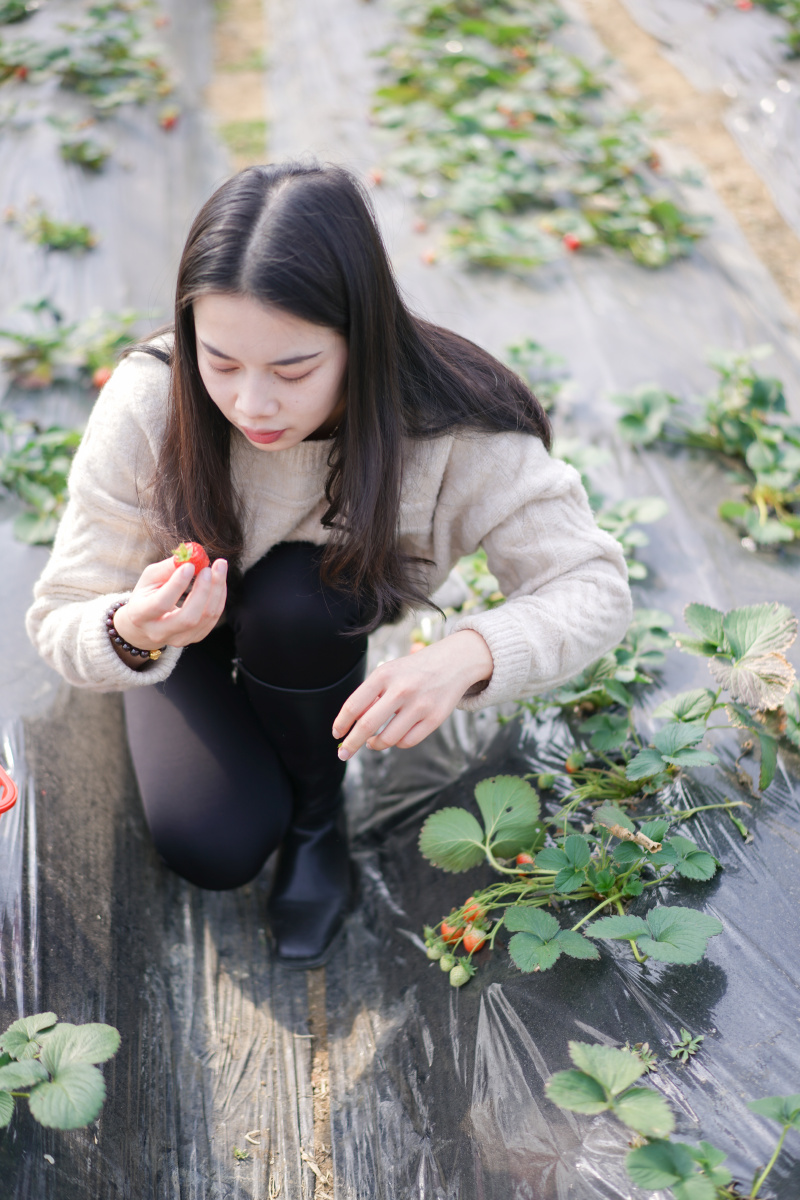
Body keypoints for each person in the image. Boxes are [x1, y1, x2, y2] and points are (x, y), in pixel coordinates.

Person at [26, 161, 632, 969]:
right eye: (221, 361)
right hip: (183, 635)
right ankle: (245, 737)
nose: (251, 405)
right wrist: (131, 631)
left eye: (293, 369)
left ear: (363, 336)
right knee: (215, 845)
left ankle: (318, 817)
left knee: (299, 599)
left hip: (313, 616)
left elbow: (593, 584)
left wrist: (470, 652)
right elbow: (62, 607)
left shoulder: (447, 423)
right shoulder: (152, 400)